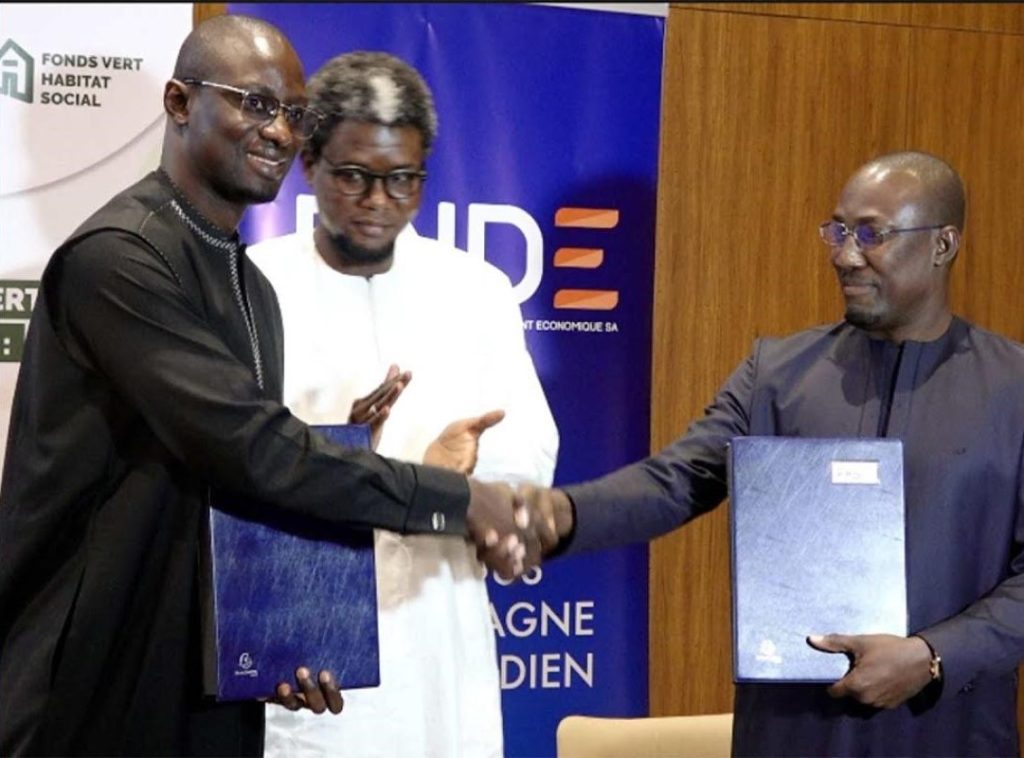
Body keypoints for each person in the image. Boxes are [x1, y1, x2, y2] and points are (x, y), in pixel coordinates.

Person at [0, 16, 534, 757]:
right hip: (95, 680)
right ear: (180, 102)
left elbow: (240, 490)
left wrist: (285, 638)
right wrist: (453, 497)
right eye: (255, 104)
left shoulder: (250, 286)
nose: (279, 131)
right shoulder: (120, 258)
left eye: (293, 113)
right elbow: (254, 448)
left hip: (204, 685)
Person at [524, 151, 1024, 756]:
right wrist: (562, 513)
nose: (845, 254)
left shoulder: (1013, 388)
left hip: (948, 732)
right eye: (838, 231)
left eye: (872, 235)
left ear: (943, 244)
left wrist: (933, 655)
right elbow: (675, 481)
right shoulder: (777, 374)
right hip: (790, 733)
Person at [247, 51, 559, 758]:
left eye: (402, 179)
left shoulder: (476, 290)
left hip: (438, 639)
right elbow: (232, 467)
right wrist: (349, 447)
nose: (378, 200)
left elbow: (528, 453)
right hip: (308, 644)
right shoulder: (254, 286)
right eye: (354, 176)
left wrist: (468, 480)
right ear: (310, 164)